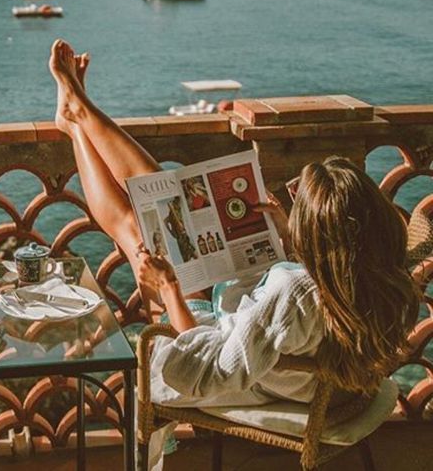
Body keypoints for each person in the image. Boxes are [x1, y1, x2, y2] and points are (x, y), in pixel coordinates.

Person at [47, 39, 419, 469]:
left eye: (301, 207)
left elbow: (215, 373)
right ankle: (78, 113)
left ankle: (75, 123)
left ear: (324, 235)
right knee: (168, 203)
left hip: (249, 374)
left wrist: (168, 290)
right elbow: (318, 302)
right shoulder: (379, 267)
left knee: (136, 233)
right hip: (302, 368)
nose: (293, 204)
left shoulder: (293, 288)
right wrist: (287, 239)